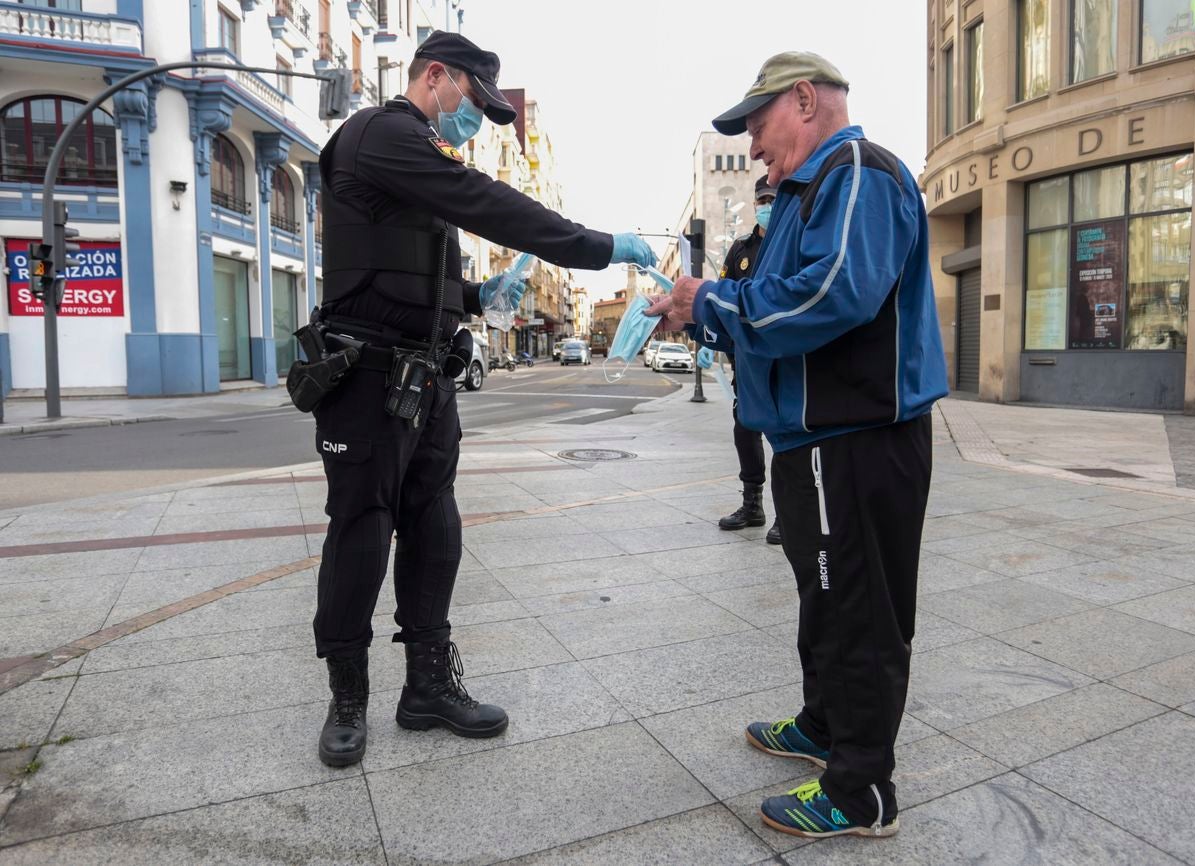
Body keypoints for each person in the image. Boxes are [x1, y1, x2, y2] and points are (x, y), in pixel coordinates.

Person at [311, 30, 657, 768]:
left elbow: (399, 265)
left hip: (428, 376)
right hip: (367, 377)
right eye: (473, 101)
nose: (473, 121)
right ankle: (347, 698)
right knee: (362, 529)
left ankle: (427, 688)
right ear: (436, 76)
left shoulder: (416, 153)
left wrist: (474, 294)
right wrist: (596, 246)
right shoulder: (383, 134)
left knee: (435, 526)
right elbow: (486, 201)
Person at [646, 51, 948, 839]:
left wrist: (711, 298)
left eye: (756, 123)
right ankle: (824, 725)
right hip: (814, 440)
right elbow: (776, 304)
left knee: (861, 610)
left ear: (805, 100)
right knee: (824, 596)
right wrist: (702, 311)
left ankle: (861, 790)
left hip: (860, 440)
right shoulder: (806, 194)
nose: (751, 146)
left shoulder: (858, 174)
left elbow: (832, 292)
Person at [716, 175, 780, 545]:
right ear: (755, 203)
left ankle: (786, 514)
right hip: (746, 357)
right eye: (763, 199)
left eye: (774, 198)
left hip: (781, 356)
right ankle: (752, 505)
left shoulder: (791, 242)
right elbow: (724, 297)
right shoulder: (741, 248)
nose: (768, 205)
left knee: (783, 434)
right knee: (745, 428)